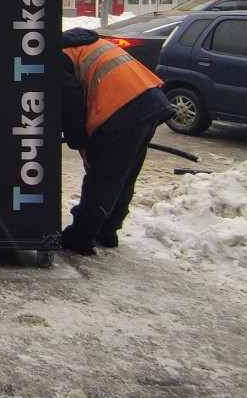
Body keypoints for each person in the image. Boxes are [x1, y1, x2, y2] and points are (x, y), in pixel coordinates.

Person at [58, 28, 174, 255]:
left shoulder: (58, 56)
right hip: (150, 100)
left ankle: (81, 237)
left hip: (121, 107)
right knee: (124, 174)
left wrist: (80, 143)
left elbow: (71, 105)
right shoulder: (87, 44)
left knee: (103, 176)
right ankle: (108, 230)